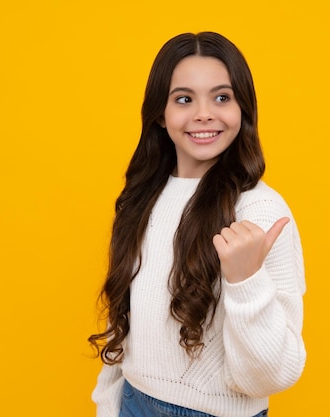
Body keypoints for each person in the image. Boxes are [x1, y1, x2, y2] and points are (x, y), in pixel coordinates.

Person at [88, 31, 306, 417]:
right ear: (160, 113)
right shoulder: (142, 197)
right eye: (184, 99)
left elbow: (273, 376)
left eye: (222, 97)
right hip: (133, 403)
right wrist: (108, 407)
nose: (204, 113)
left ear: (244, 109)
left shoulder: (259, 210)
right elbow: (123, 324)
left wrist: (245, 282)